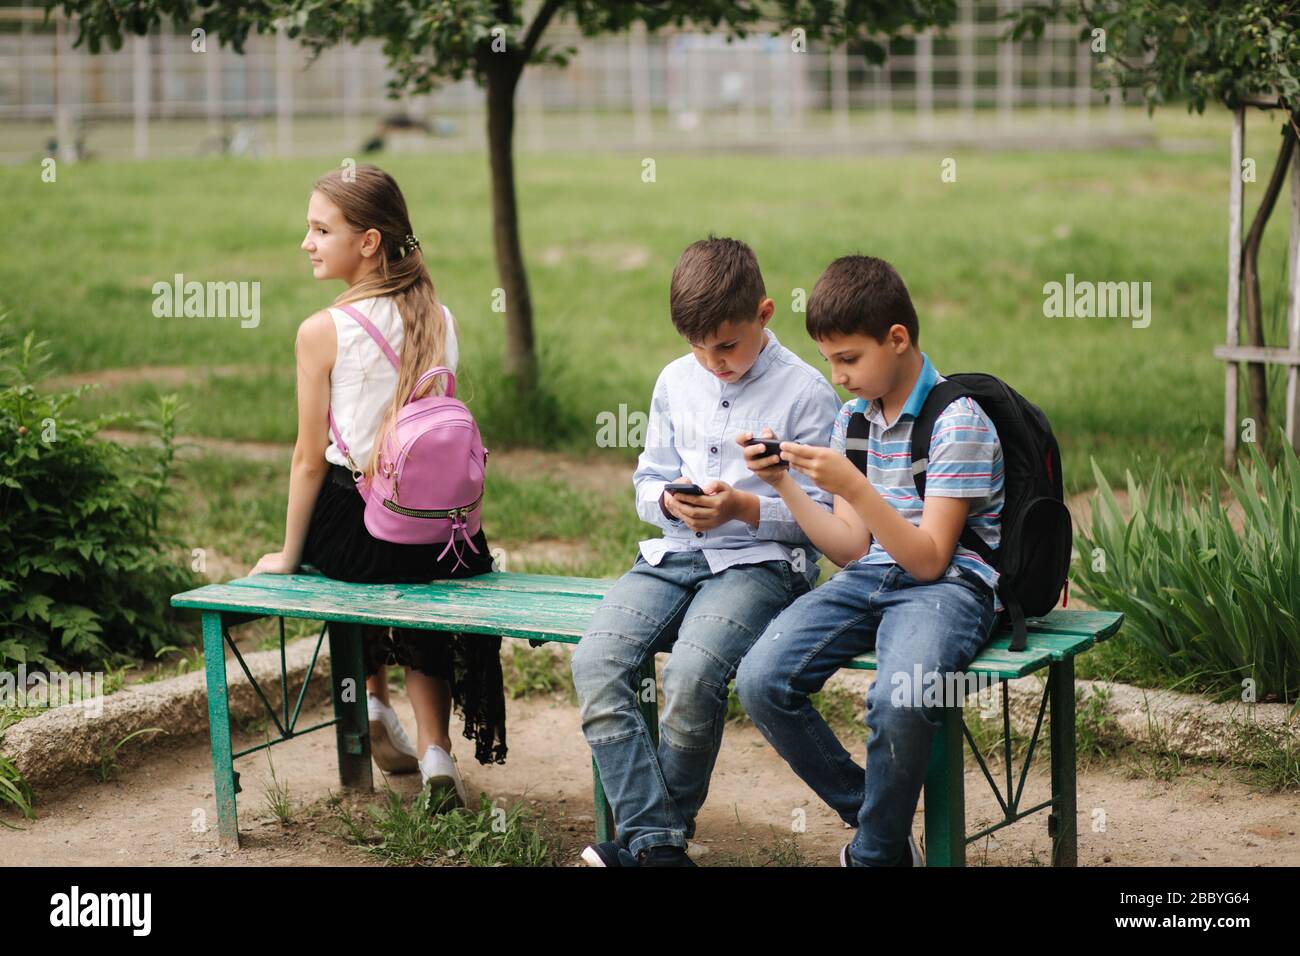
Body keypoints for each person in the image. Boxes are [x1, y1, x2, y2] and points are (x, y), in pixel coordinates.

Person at [570, 236, 841, 866]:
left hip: (764, 564)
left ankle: (648, 848)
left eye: (727, 344)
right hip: (674, 555)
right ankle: (659, 844)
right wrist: (669, 501)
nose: (713, 361)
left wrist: (744, 507)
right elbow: (645, 482)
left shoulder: (805, 394)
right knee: (596, 664)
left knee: (693, 674)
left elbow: (825, 523)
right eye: (698, 346)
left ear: (765, 314)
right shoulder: (674, 381)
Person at [249, 163, 506, 810]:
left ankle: (370, 701)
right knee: (414, 573)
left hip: (364, 534)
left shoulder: (322, 331)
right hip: (445, 536)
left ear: (367, 242)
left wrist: (287, 554)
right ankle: (435, 753)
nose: (305, 242)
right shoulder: (439, 316)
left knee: (340, 532)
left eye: (319, 229)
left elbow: (309, 458)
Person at [735, 254, 1005, 866]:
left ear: (898, 338)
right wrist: (785, 485)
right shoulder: (854, 422)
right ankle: (877, 816)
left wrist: (856, 487)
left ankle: (877, 855)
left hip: (950, 586)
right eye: (829, 361)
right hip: (873, 575)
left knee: (901, 696)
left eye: (848, 359)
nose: (837, 377)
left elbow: (932, 558)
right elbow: (851, 548)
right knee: (761, 680)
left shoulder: (956, 421)